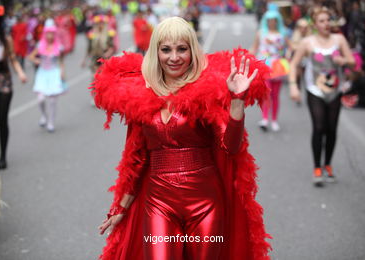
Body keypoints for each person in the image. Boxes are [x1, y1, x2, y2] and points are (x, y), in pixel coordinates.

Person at [92, 17, 271, 260]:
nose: (174, 57)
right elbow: (137, 157)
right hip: (158, 205)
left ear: (192, 52)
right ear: (156, 53)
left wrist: (237, 100)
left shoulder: (207, 90)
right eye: (166, 49)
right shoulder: (142, 95)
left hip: (206, 205)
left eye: (182, 49)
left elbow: (230, 146)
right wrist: (121, 207)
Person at [289, 6, 355, 186]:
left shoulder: (339, 39)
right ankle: (317, 167)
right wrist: (294, 87)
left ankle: (328, 165)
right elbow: (293, 64)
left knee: (331, 129)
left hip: (335, 90)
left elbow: (352, 61)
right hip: (315, 90)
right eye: (322, 21)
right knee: (319, 127)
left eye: (328, 20)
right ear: (315, 24)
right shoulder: (307, 42)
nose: (326, 24)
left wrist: (343, 60)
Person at [0, 5, 27, 170]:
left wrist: (20, 73)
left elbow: (12, 59)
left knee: (2, 119)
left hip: (3, 80)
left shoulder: (5, 40)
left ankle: (3, 156)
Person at [251, 3, 290, 132]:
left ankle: (274, 120)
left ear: (277, 21)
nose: (271, 22)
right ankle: (265, 118)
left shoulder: (282, 33)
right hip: (265, 65)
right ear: (265, 21)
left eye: (273, 20)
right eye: (269, 20)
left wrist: (288, 56)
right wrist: (245, 57)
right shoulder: (261, 33)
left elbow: (290, 47)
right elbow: (254, 48)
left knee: (275, 95)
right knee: (266, 93)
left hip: (277, 66)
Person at [28, 19, 66, 133]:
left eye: (52, 33)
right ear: (45, 34)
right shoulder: (40, 45)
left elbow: (61, 61)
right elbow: (31, 56)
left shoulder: (59, 46)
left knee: (53, 100)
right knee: (40, 99)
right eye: (48, 33)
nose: (50, 36)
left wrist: (63, 72)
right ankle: (44, 116)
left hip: (54, 73)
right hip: (43, 73)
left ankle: (51, 122)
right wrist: (37, 61)